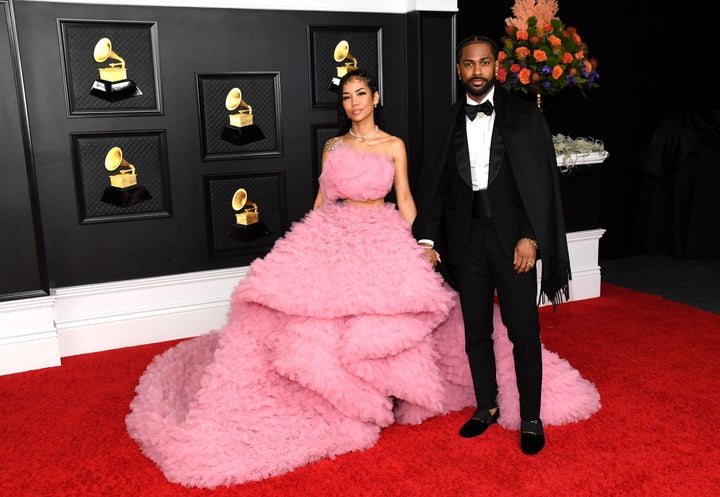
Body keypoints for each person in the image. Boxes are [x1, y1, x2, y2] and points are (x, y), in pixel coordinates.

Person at [126, 68, 597, 489]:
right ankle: (338, 404)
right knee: (319, 321)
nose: (353, 103)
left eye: (360, 94)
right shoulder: (333, 146)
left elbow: (409, 200)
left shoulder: (394, 145)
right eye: (346, 97)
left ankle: (406, 395)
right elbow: (320, 199)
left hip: (382, 233)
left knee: (389, 320)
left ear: (375, 97)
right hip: (333, 235)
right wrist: (298, 243)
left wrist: (424, 246)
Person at [412, 35, 572, 455]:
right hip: (467, 242)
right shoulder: (448, 121)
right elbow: (437, 188)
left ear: (496, 66)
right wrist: (427, 239)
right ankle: (487, 406)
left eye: (484, 63)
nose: (477, 71)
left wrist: (531, 237)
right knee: (476, 331)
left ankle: (532, 417)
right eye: (469, 64)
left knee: (524, 330)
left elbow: (540, 186)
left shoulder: (523, 117)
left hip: (513, 241)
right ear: (459, 69)